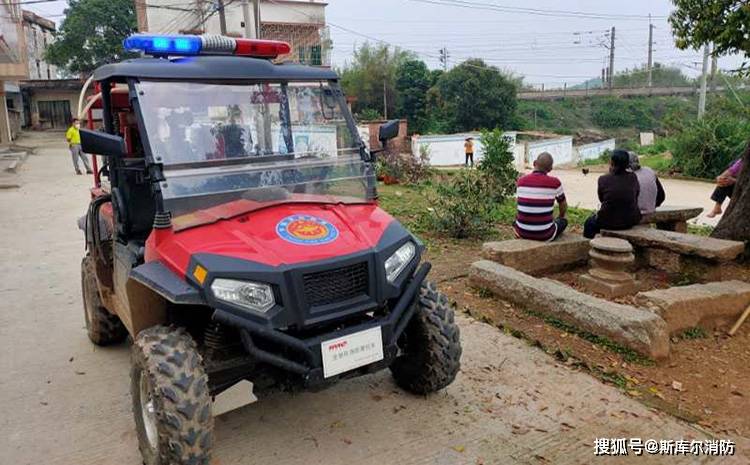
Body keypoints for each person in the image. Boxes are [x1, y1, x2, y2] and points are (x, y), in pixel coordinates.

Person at [583, 149, 641, 239]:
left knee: (589, 223)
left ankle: (588, 246)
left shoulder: (603, 179)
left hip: (608, 221)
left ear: (612, 163)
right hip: (630, 220)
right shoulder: (633, 177)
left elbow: (602, 199)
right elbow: (636, 195)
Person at [514, 152, 568, 241]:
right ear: (550, 169)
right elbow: (563, 204)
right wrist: (561, 216)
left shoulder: (521, 181)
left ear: (534, 163)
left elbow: (520, 205)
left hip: (522, 232)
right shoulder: (555, 183)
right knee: (564, 221)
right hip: (546, 234)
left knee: (517, 220)